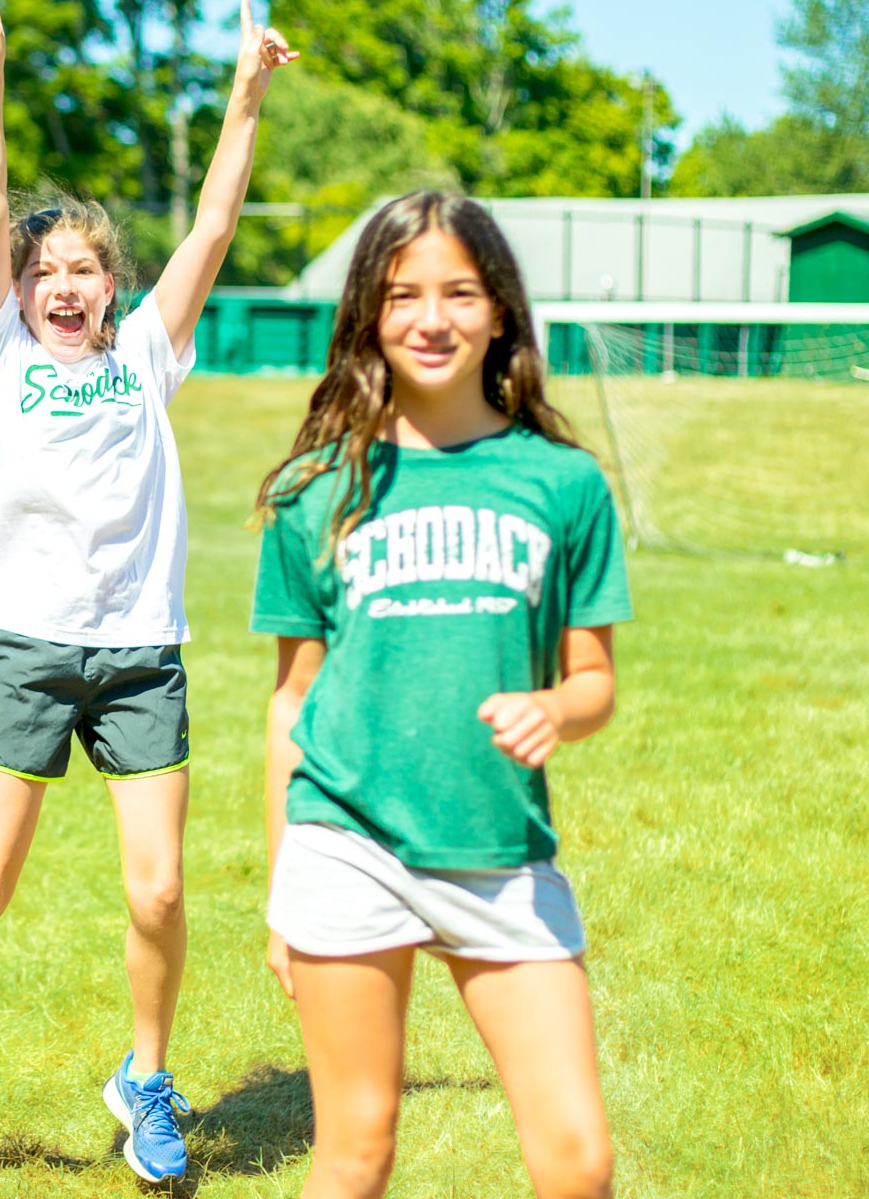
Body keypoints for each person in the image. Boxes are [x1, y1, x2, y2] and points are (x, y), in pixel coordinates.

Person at [0, 0, 297, 1184]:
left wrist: (245, 95)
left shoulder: (151, 354)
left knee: (160, 896)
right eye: (45, 269)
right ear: (17, 289)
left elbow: (213, 225)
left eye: (86, 270)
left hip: (139, 652)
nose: (66, 284)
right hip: (19, 644)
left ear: (113, 286)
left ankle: (145, 1081)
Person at [250, 190, 631, 1199]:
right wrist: (285, 889)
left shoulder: (563, 483)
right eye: (403, 294)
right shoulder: (316, 490)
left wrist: (558, 707)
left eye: (460, 292)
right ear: (370, 314)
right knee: (356, 1151)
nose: (432, 318)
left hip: (501, 855)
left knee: (577, 1159)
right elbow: (293, 700)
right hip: (346, 843)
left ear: (500, 308)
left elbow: (594, 679)